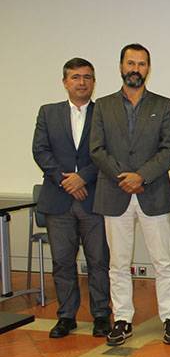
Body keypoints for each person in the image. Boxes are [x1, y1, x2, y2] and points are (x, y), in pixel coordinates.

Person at [89, 44, 170, 346]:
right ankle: (122, 319)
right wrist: (123, 178)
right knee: (118, 263)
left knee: (163, 261)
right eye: (131, 63)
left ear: (148, 69)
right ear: (120, 66)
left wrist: (141, 176)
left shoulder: (163, 105)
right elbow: (96, 149)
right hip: (114, 193)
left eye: (141, 64)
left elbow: (169, 150)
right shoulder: (103, 106)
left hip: (152, 191)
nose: (135, 69)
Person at [32, 58, 111, 339]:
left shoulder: (104, 113)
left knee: (98, 261)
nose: (82, 82)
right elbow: (40, 150)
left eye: (87, 77)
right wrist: (66, 180)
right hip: (59, 199)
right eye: (76, 77)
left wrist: (83, 177)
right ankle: (66, 316)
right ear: (65, 82)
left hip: (93, 199)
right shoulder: (48, 112)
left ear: (94, 82)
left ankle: (101, 315)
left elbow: (108, 152)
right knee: (62, 262)